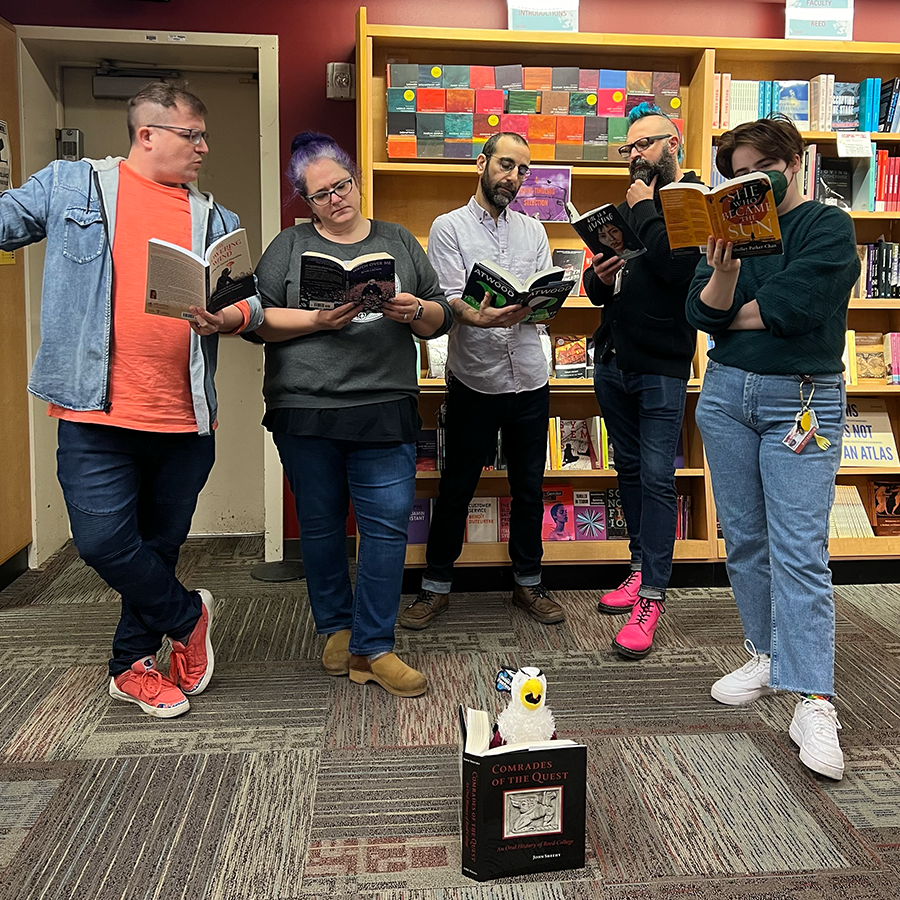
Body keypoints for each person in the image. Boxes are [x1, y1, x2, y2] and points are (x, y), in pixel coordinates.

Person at [0, 83, 263, 718]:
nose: (203, 147)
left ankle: (130, 666)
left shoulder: (216, 219)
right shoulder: (71, 186)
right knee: (101, 542)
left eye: (204, 136)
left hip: (184, 416)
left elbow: (250, 304)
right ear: (147, 134)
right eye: (190, 135)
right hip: (94, 411)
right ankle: (188, 614)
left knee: (160, 544)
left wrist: (227, 319)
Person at [686, 115, 860, 780]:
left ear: (793, 165)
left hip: (802, 398)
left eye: (758, 170)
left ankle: (813, 698)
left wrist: (729, 313)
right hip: (728, 393)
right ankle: (765, 653)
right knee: (746, 537)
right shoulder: (728, 229)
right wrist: (723, 278)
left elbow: (799, 308)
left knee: (799, 547)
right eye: (735, 174)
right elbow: (700, 317)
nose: (746, 183)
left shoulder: (827, 227)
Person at [249, 132, 452, 697]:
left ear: (356, 182)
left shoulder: (398, 240)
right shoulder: (289, 246)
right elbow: (257, 320)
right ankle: (335, 628)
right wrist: (316, 322)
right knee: (320, 526)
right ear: (304, 201)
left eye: (341, 186)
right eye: (320, 195)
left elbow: (439, 317)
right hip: (305, 406)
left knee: (386, 529)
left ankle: (373, 647)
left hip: (384, 403)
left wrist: (414, 310)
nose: (335, 199)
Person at [399, 132, 566, 631]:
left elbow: (544, 296)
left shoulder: (534, 230)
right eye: (506, 165)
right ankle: (436, 587)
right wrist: (481, 317)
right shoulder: (448, 227)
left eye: (522, 171)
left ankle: (528, 582)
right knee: (457, 486)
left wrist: (543, 304)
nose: (512, 177)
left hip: (531, 380)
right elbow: (451, 299)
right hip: (474, 381)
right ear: (482, 164)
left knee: (529, 487)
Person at [583, 103, 701, 659]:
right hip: (613, 359)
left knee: (656, 477)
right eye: (628, 148)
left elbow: (678, 268)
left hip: (661, 365)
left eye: (644, 145)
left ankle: (652, 594)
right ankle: (636, 568)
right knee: (627, 469)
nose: (635, 157)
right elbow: (608, 286)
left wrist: (644, 207)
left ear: (672, 145)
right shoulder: (630, 207)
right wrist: (597, 276)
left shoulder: (691, 201)